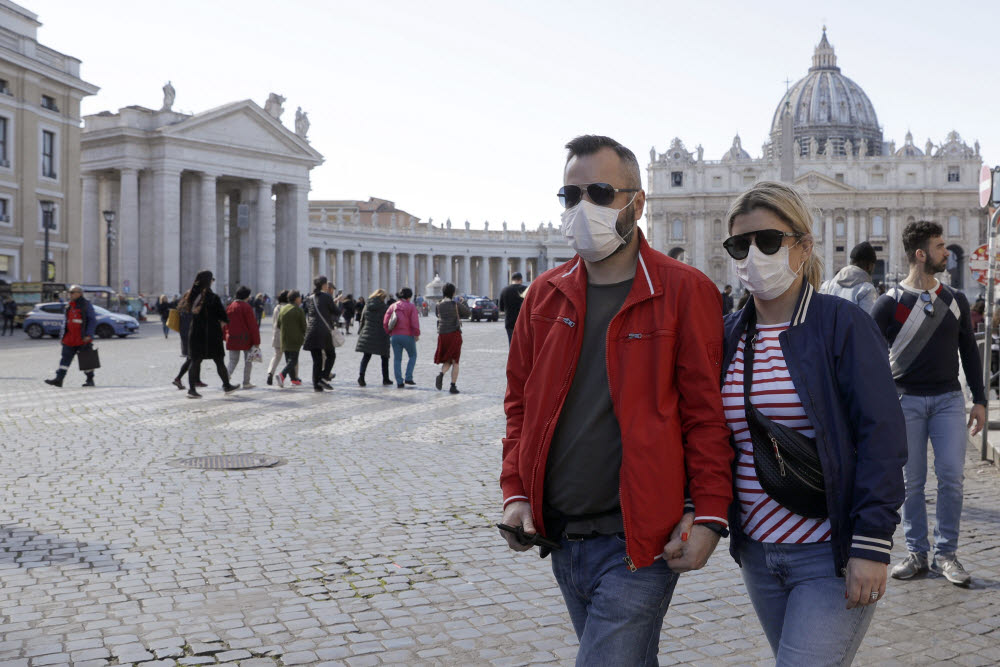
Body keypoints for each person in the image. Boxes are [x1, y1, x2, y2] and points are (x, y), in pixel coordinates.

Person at [500, 135, 733, 664]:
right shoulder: (543, 295)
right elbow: (520, 406)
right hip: (562, 536)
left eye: (600, 193)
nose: (584, 208)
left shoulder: (685, 290)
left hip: (640, 539)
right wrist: (516, 492)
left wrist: (710, 514)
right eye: (570, 195)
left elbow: (705, 414)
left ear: (637, 202)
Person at [720, 181, 906, 664]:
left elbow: (882, 439)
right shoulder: (727, 336)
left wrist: (871, 545)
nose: (753, 255)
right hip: (759, 554)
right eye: (741, 245)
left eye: (768, 241)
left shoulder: (843, 324)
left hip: (831, 553)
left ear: (803, 246)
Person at [872, 220, 986, 587]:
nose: (946, 253)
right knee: (912, 483)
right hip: (904, 402)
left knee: (951, 476)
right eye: (940, 247)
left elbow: (969, 353)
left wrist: (980, 400)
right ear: (921, 254)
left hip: (949, 400)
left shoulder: (955, 300)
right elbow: (870, 359)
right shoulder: (888, 304)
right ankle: (917, 552)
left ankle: (947, 553)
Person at [182, 270, 238, 398]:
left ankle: (192, 390)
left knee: (195, 361)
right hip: (212, 334)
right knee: (219, 361)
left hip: (195, 333)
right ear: (208, 281)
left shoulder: (190, 295)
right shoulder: (213, 297)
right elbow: (223, 317)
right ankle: (226, 385)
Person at [44, 285, 98, 387]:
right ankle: (59, 379)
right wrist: (62, 337)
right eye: (70, 292)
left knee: (87, 360)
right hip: (69, 339)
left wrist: (89, 335)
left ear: (80, 293)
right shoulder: (69, 305)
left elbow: (92, 320)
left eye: (73, 292)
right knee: (64, 360)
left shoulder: (86, 305)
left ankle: (90, 380)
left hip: (82, 338)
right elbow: (65, 322)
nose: (70, 294)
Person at [820, 241, 878, 314]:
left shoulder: (827, 286)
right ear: (870, 266)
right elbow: (868, 322)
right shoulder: (867, 290)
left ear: (851, 262)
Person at [303, 276, 340, 392]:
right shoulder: (327, 297)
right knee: (331, 355)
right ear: (324, 285)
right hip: (324, 331)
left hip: (311, 331)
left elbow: (308, 312)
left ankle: (317, 385)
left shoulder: (309, 298)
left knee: (317, 360)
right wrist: (336, 303)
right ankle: (323, 377)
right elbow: (336, 312)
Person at [434, 283, 469, 394]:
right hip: (454, 333)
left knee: (448, 359)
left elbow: (437, 315)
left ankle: (441, 374)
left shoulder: (438, 304)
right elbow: (468, 313)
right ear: (453, 293)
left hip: (442, 334)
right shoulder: (455, 304)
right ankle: (453, 386)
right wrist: (464, 302)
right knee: (455, 361)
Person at [224, 286, 261, 389]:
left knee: (232, 361)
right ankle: (246, 382)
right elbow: (252, 325)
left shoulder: (230, 306)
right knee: (248, 361)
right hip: (246, 339)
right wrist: (257, 341)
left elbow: (226, 324)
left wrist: (225, 336)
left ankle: (225, 380)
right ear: (246, 296)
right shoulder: (246, 307)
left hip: (232, 338)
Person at [384, 287, 419, 388]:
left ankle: (399, 381)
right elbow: (414, 322)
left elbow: (386, 321)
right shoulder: (411, 307)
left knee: (397, 359)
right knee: (412, 356)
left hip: (395, 336)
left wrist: (389, 332)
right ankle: (408, 377)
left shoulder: (392, 306)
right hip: (407, 335)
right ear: (409, 297)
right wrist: (416, 334)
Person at [356, 289, 392, 386]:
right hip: (381, 334)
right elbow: (388, 321)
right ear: (382, 297)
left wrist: (361, 331)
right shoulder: (384, 307)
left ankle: (361, 377)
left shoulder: (367, 305)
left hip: (368, 332)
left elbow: (362, 319)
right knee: (384, 357)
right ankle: (386, 378)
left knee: (366, 357)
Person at [276, 290, 306, 387]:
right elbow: (304, 326)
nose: (301, 299)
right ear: (296, 299)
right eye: (299, 297)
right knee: (293, 360)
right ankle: (282, 375)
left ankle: (294, 379)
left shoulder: (283, 309)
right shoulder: (298, 310)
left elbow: (278, 325)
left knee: (289, 359)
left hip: (284, 338)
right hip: (295, 340)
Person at [171, 291, 200, 390]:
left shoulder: (183, 306)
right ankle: (180, 379)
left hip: (185, 335)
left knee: (191, 358)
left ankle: (193, 380)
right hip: (190, 336)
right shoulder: (190, 308)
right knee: (192, 359)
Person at [266, 290, 289, 385]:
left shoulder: (276, 308)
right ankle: (294, 377)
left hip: (276, 335)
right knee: (292, 358)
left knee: (276, 356)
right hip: (287, 336)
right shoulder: (288, 308)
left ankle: (270, 373)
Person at [498, 272, 528, 344]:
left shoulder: (504, 290)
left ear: (511, 280)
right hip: (522, 322)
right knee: (523, 345)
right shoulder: (526, 289)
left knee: (511, 344)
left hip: (509, 322)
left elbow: (501, 308)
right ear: (521, 280)